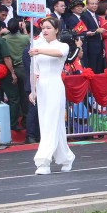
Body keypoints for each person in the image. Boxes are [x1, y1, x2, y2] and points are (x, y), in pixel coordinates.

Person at [27, 15, 74, 174]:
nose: (45, 30)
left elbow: (58, 54)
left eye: (48, 28)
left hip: (55, 86)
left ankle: (43, 161)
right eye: (43, 28)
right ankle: (66, 157)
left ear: (56, 30)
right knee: (50, 124)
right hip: (42, 88)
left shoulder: (62, 46)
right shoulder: (37, 47)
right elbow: (34, 71)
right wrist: (32, 91)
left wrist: (38, 50)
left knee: (52, 123)